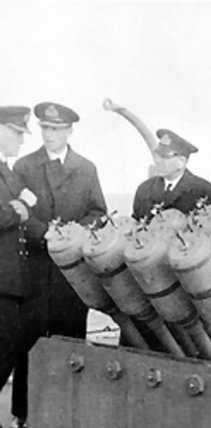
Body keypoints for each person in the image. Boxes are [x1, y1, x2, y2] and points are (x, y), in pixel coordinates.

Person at [11, 102, 107, 427]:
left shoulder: (87, 168)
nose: (50, 135)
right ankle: (24, 414)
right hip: (35, 273)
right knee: (29, 345)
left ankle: (69, 414)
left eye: (56, 129)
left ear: (69, 131)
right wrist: (46, 234)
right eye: (45, 129)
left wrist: (75, 234)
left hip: (72, 278)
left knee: (72, 343)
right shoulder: (24, 166)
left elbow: (98, 212)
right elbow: (18, 215)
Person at [0, 106, 38, 428]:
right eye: (16, 133)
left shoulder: (7, 171)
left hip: (11, 282)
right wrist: (21, 207)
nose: (21, 142)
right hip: (0, 282)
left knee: (9, 349)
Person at [132, 128, 211, 220]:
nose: (157, 161)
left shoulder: (203, 191)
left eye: (164, 157)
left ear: (181, 162)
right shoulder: (144, 190)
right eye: (158, 155)